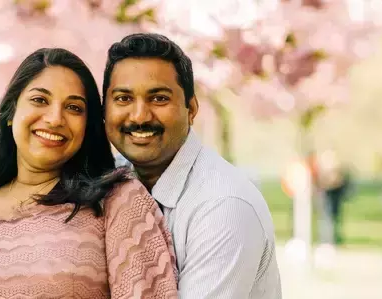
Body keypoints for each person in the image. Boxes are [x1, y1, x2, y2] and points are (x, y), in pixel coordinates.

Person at [0, 48, 178, 298]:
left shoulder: (117, 203)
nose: (55, 118)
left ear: (87, 126)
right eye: (39, 100)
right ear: (10, 112)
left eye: (74, 107)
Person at [103, 33, 282, 298]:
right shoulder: (109, 183)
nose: (139, 115)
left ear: (191, 109)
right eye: (123, 99)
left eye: (159, 98)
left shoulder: (224, 205)